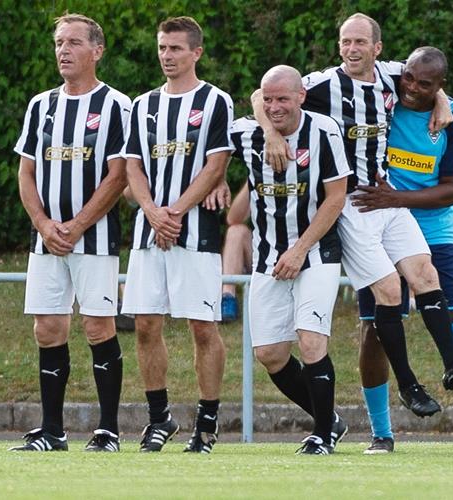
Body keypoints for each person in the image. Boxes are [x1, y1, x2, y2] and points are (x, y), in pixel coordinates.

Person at [253, 13, 453, 455]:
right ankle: (409, 385)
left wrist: (442, 103)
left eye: (360, 41)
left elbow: (428, 78)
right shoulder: (322, 84)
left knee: (425, 275)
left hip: (387, 194)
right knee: (388, 290)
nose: (352, 49)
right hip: (353, 204)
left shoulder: (394, 75)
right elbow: (264, 94)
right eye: (345, 42)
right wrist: (269, 130)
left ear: (377, 48)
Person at [352, 46, 453, 454]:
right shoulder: (379, 93)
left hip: (434, 229)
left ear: (440, 86)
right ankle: (381, 433)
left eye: (425, 85)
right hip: (378, 227)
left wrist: (397, 199)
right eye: (408, 79)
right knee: (374, 326)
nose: (412, 88)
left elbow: (452, 190)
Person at [11, 13, 130, 452]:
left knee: (98, 327)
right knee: (47, 328)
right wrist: (43, 224)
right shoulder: (40, 105)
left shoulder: (117, 105)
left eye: (74, 42)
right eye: (59, 42)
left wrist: (78, 225)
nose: (63, 50)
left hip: (94, 239)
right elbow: (26, 172)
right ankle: (51, 431)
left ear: (97, 50)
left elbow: (118, 175)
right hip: (45, 240)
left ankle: (108, 431)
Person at [121, 16, 233, 454]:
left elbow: (217, 164)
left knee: (202, 327)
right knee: (146, 324)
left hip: (196, 232)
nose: (167, 56)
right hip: (149, 231)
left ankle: (207, 423)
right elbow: (132, 165)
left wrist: (177, 212)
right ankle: (158, 418)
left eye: (176, 49)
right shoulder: (143, 104)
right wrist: (152, 212)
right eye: (163, 48)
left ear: (196, 53)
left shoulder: (214, 100)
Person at [233, 65, 351, 454]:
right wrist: (266, 128)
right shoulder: (247, 132)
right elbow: (209, 153)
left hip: (315, 252)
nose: (274, 106)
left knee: (311, 339)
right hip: (268, 256)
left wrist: (300, 249)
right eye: (268, 100)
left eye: (283, 99)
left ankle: (321, 435)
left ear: (301, 96)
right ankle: (330, 420)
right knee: (269, 354)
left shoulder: (324, 131)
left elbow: (336, 198)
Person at [220, 183, 251, 322]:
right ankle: (228, 297)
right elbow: (233, 218)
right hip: (264, 254)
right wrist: (252, 179)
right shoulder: (263, 174)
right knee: (236, 231)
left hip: (300, 250)